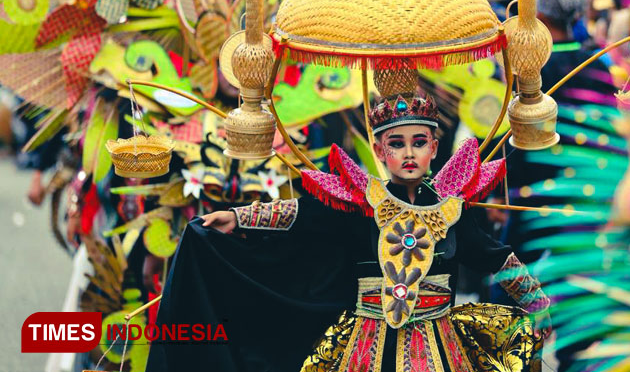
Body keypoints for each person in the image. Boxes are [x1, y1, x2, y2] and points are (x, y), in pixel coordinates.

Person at [146, 92, 551, 372]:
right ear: (379, 151)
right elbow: (304, 216)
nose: (408, 153)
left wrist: (537, 302)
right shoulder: (360, 205)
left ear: (434, 147)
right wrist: (239, 217)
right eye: (397, 143)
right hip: (362, 345)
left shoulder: (453, 209)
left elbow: (495, 255)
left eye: (418, 142)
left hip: (441, 345)